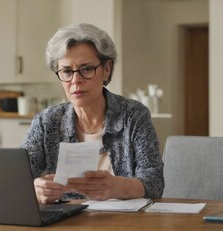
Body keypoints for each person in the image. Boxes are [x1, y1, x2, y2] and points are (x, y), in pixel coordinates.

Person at [21, 23, 164, 204]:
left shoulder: (133, 115)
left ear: (106, 69)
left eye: (86, 69)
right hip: (65, 226)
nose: (76, 80)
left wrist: (115, 187)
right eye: (66, 71)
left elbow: (155, 182)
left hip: (124, 225)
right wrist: (35, 188)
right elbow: (14, 180)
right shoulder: (47, 121)